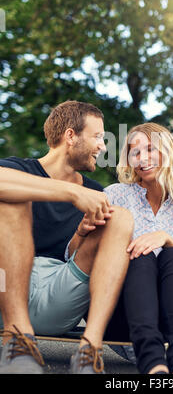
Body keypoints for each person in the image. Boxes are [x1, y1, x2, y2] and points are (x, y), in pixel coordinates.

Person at [0, 100, 134, 374]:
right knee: (10, 198)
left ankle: (89, 350)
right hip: (4, 287)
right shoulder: (17, 169)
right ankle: (17, 339)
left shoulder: (95, 191)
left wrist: (81, 235)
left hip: (58, 292)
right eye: (97, 136)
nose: (103, 146)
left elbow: (87, 255)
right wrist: (71, 193)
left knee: (119, 216)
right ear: (70, 136)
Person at [103, 122, 173, 375]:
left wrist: (166, 238)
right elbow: (78, 253)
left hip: (167, 323)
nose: (142, 159)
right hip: (120, 317)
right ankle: (153, 363)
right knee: (140, 255)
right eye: (135, 152)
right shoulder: (116, 195)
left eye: (150, 150)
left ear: (168, 152)